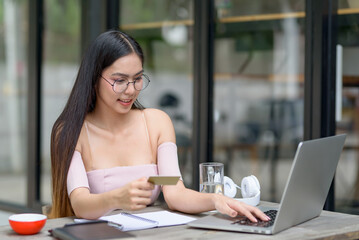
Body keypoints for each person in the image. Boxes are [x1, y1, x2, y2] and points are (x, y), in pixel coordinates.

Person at [49, 30, 270, 223]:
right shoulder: (71, 132)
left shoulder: (156, 123)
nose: (131, 90)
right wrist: (117, 198)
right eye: (119, 80)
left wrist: (217, 199)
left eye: (137, 78)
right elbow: (80, 203)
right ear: (94, 79)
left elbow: (174, 192)